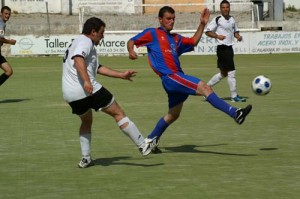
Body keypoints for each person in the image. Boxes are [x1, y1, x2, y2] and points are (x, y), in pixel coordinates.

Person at [127, 6, 252, 153]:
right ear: (160, 19)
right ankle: (235, 113)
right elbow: (132, 41)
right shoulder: (152, 33)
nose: (171, 21)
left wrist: (202, 24)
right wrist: (131, 50)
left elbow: (193, 42)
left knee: (173, 115)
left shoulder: (175, 38)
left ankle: (149, 141)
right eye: (168, 18)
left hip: (175, 78)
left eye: (173, 18)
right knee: (205, 88)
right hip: (171, 77)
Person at [62, 17, 152, 168]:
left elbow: (97, 68)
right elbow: (78, 59)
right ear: (93, 32)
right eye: (102, 33)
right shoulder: (85, 41)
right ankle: (143, 145)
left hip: (70, 94)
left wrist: (121, 75)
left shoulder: (77, 42)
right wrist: (86, 81)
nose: (103, 36)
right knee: (118, 113)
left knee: (86, 121)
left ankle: (86, 158)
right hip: (87, 90)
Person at [205, 0, 245, 102]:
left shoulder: (232, 19)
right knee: (231, 72)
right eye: (223, 7)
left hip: (229, 48)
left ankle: (206, 88)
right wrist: (217, 36)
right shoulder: (218, 19)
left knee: (223, 73)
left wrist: (238, 37)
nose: (225, 9)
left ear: (229, 8)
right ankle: (234, 96)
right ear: (220, 9)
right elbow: (208, 32)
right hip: (222, 48)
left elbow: (235, 32)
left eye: (227, 7)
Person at [0, 6, 16, 87]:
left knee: (9, 71)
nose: (7, 16)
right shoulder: (1, 23)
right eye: (5, 13)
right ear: (1, 13)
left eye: (9, 14)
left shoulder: (2, 23)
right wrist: (10, 42)